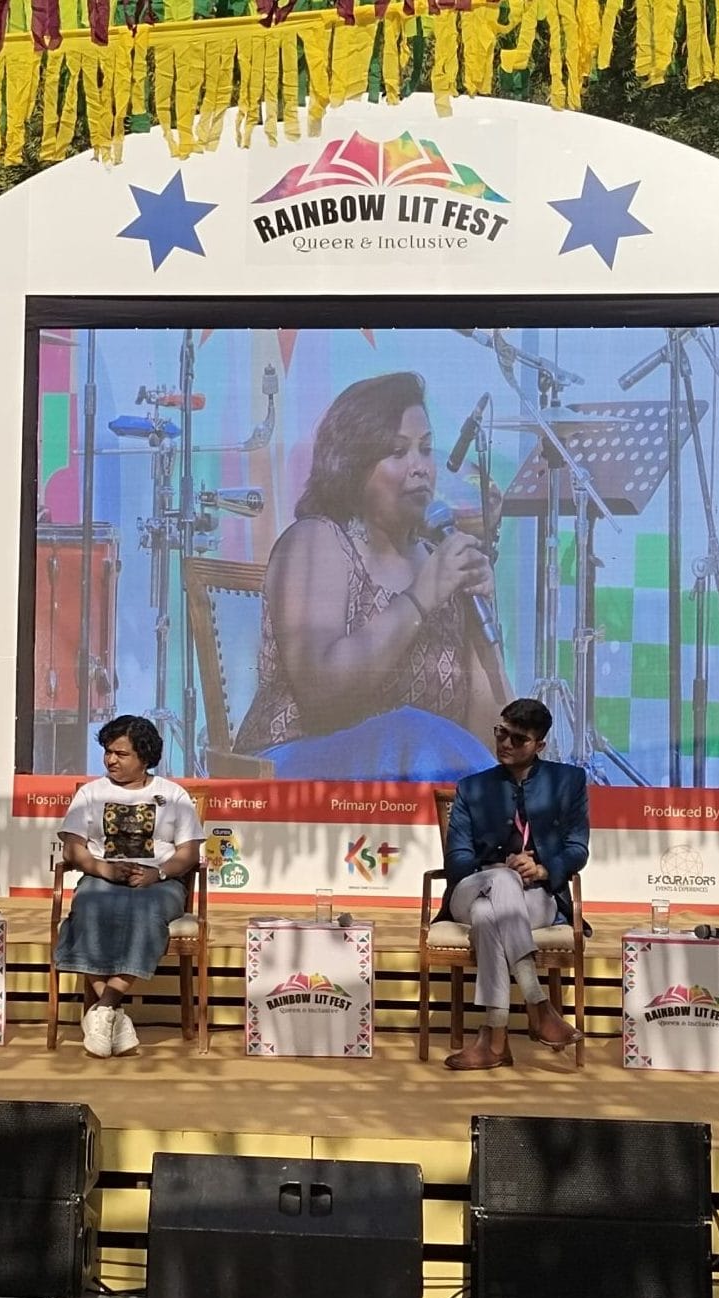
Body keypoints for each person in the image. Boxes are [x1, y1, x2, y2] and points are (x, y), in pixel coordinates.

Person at [234, 372, 514, 780]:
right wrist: (421, 597)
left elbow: (484, 744)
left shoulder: (441, 565)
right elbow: (322, 695)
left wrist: (481, 616)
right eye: (398, 452)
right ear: (352, 464)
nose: (420, 468)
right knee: (412, 732)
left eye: (426, 449)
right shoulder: (318, 539)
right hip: (293, 768)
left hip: (405, 789)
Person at [437, 698, 587, 1070]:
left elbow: (577, 850)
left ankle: (495, 1037)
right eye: (501, 732)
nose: (505, 743)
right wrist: (498, 866)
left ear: (539, 745)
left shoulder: (568, 781)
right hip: (471, 888)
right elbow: (455, 861)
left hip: (536, 895)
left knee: (489, 918)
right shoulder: (472, 788)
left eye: (517, 739)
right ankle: (537, 1003)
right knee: (500, 882)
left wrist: (541, 868)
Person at [56, 714, 202, 1059]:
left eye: (121, 754)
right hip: (102, 878)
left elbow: (189, 852)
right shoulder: (92, 793)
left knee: (146, 910)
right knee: (88, 905)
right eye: (108, 752)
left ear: (145, 757)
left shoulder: (172, 795)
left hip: (159, 882)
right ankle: (113, 1016)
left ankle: (103, 1008)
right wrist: (102, 869)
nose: (111, 760)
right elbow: (72, 847)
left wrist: (159, 874)